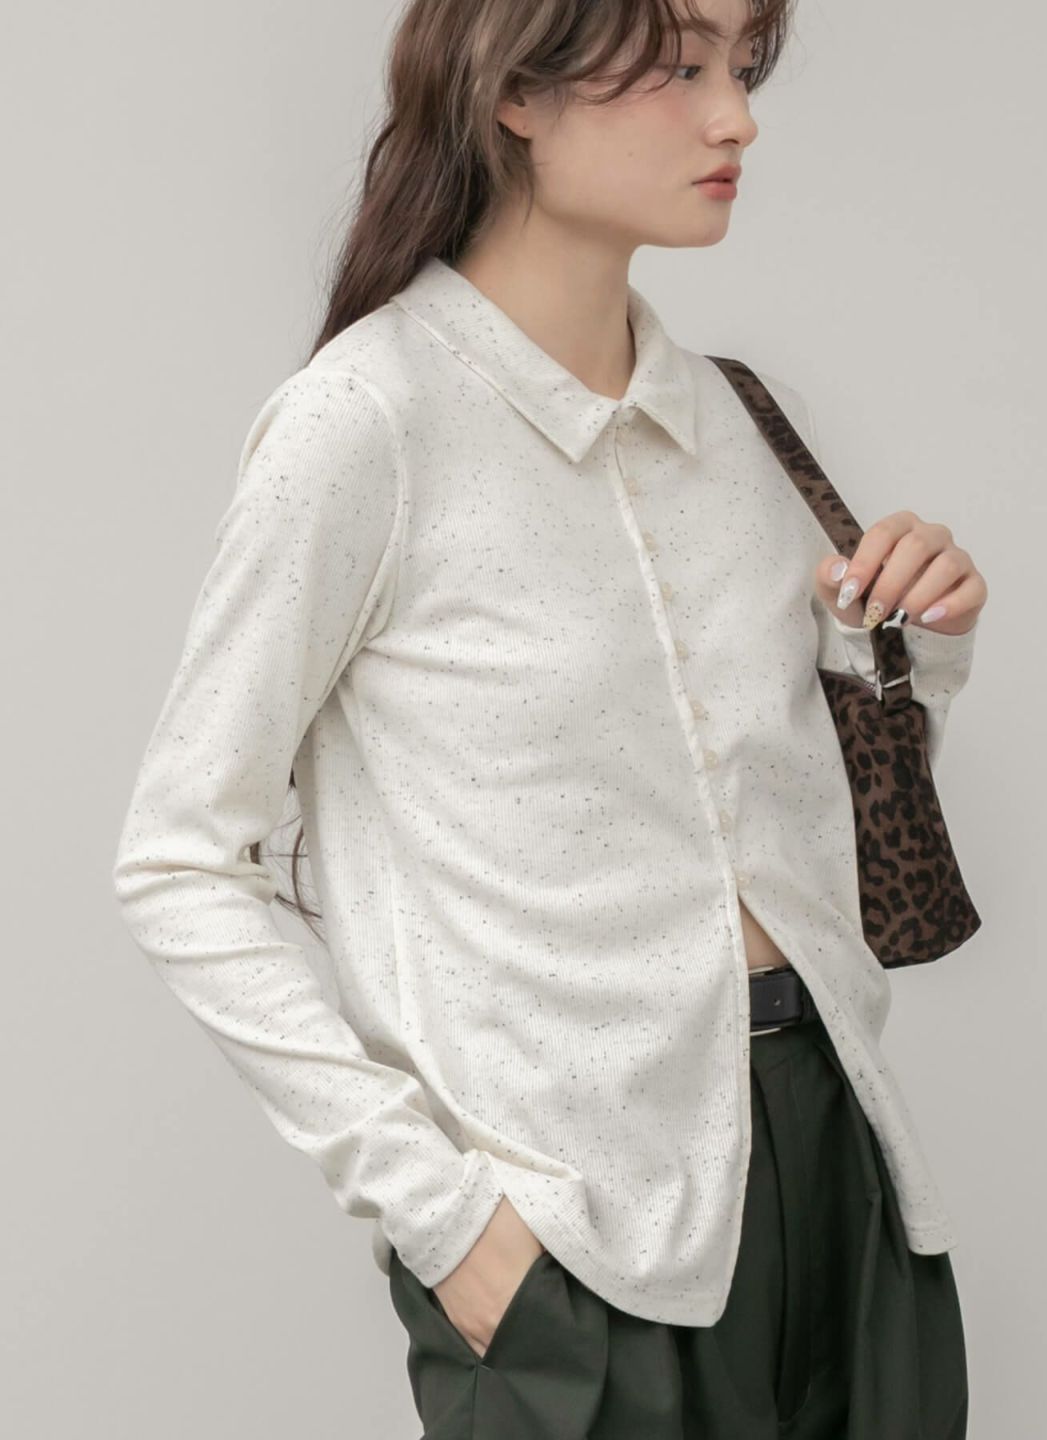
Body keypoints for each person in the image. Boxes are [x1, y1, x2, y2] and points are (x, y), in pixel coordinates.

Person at [112, 0, 987, 1435]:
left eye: (743, 67)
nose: (736, 118)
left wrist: (917, 651)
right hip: (575, 1235)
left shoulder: (740, 422)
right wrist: (446, 1220)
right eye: (682, 66)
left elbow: (796, 828)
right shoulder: (368, 420)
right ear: (515, 88)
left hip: (842, 1156)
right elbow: (176, 859)